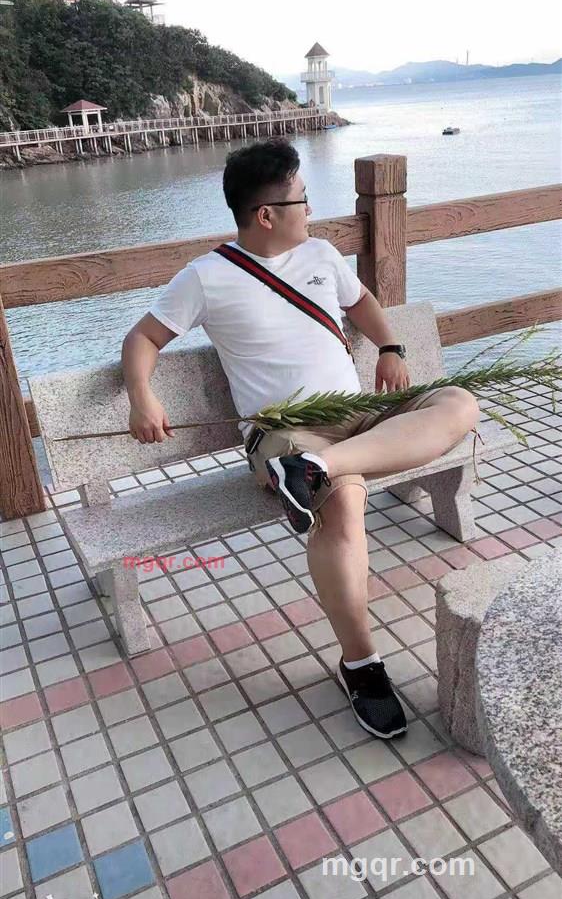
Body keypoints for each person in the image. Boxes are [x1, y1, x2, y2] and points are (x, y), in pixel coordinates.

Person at [122, 138, 480, 739]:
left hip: (355, 413)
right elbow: (142, 338)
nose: (311, 210)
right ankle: (361, 665)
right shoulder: (206, 277)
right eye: (302, 200)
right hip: (284, 429)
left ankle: (317, 467)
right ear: (266, 214)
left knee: (459, 403)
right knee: (343, 502)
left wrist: (390, 346)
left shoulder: (321, 254)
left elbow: (360, 301)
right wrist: (142, 396)